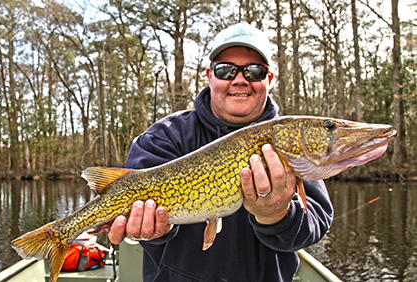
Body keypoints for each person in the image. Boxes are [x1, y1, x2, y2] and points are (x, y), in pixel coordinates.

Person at [108, 22, 333, 282]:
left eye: (254, 71)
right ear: (209, 76)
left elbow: (315, 222)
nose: (240, 80)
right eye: (226, 70)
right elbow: (135, 211)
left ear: (268, 79)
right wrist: (156, 229)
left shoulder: (289, 139)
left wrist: (278, 215)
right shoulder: (164, 137)